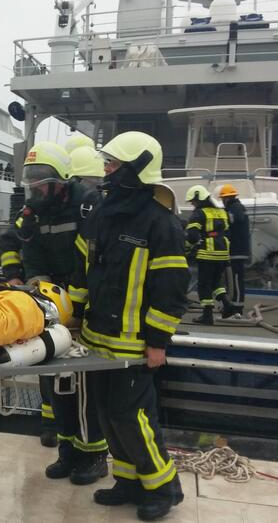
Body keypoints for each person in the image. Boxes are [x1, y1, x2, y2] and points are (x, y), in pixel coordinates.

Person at [68, 131, 189, 521]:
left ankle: (162, 486)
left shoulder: (161, 223)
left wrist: (158, 342)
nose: (106, 169)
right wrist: (73, 314)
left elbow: (170, 290)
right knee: (107, 413)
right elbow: (84, 268)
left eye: (114, 163)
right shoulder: (104, 212)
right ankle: (128, 481)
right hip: (96, 339)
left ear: (136, 170)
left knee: (131, 416)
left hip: (135, 344)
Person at [0, 141, 107, 484]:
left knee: (85, 385)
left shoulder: (87, 206)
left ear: (60, 182)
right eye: (32, 185)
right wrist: (38, 292)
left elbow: (91, 258)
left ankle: (93, 457)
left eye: (41, 184)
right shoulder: (36, 212)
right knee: (56, 382)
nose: (36, 191)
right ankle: (68, 452)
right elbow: (31, 254)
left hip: (88, 303)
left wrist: (75, 303)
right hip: (56, 303)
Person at [184, 185, 231, 325]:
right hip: (223, 253)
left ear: (199, 199)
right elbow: (228, 232)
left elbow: (192, 236)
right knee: (216, 283)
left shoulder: (199, 213)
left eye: (193, 201)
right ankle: (227, 305)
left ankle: (207, 316)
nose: (192, 204)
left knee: (204, 285)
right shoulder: (221, 212)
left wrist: (186, 250)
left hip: (207, 253)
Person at [219, 185, 250, 317]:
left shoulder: (235, 208)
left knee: (236, 281)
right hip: (235, 251)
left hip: (237, 251)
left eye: (223, 199)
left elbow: (235, 220)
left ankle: (237, 308)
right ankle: (231, 306)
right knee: (231, 280)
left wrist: (222, 217)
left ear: (226, 198)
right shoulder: (235, 207)